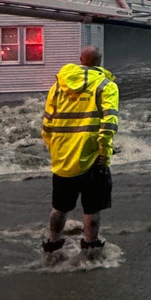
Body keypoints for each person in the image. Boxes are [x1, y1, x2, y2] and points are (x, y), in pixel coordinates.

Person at [41, 46, 118, 257]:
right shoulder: (106, 86)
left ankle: (51, 245)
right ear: (99, 62)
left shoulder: (58, 86)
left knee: (59, 207)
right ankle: (91, 248)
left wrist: (54, 148)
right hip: (92, 157)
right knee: (92, 209)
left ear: (80, 60)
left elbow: (47, 121)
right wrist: (105, 153)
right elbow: (109, 124)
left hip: (63, 157)